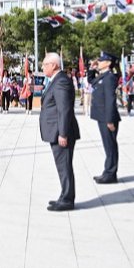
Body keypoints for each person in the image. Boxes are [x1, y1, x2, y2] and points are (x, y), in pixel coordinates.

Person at [39, 53, 80, 211]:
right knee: (62, 166)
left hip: (61, 132)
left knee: (64, 166)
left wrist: (63, 133)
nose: (43, 67)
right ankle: (64, 195)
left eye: (45, 64)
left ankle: (67, 199)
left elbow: (64, 110)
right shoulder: (55, 80)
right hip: (55, 131)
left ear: (54, 65)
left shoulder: (61, 81)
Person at [90, 52, 121, 184]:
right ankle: (108, 171)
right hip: (102, 116)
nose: (99, 62)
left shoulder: (109, 78)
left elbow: (110, 100)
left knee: (110, 146)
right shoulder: (103, 76)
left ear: (108, 63)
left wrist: (110, 120)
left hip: (107, 117)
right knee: (108, 145)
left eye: (101, 61)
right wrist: (91, 69)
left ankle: (110, 173)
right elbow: (91, 82)